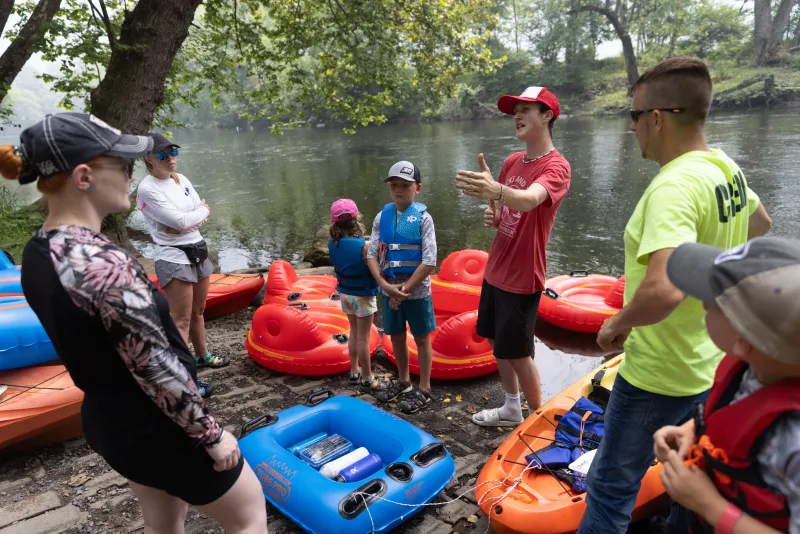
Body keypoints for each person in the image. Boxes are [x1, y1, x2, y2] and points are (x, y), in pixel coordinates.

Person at [7, 113, 267, 533]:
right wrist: (212, 435)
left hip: (112, 422)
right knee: (249, 514)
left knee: (163, 518)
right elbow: (152, 365)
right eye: (123, 165)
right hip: (162, 427)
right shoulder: (101, 263)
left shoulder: (39, 251)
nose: (131, 175)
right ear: (85, 176)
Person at [577, 57, 773, 534]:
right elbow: (761, 226)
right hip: (713, 365)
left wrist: (616, 323)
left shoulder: (674, 185)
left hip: (658, 375)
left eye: (634, 117)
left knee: (609, 491)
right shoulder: (724, 169)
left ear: (658, 118)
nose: (632, 129)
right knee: (694, 481)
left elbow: (663, 289)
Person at [654, 236, 799, 534]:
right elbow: (739, 407)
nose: (703, 303)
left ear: (743, 341)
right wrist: (692, 430)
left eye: (710, 304)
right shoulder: (760, 366)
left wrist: (709, 505)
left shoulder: (793, 442)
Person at [455, 86, 571, 426]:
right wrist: (496, 216)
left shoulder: (557, 167)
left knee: (520, 354)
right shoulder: (511, 162)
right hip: (496, 270)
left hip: (522, 277)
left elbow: (530, 199)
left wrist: (498, 191)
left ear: (547, 115)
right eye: (514, 111)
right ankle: (510, 407)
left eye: (525, 109)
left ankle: (539, 423)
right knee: (498, 342)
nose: (516, 116)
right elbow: (510, 212)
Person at [137, 133, 228, 398]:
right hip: (173, 255)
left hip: (197, 248)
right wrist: (192, 217)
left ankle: (201, 356)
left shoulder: (181, 179)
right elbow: (179, 222)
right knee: (181, 319)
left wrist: (193, 217)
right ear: (149, 159)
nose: (171, 159)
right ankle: (181, 378)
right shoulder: (148, 188)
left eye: (173, 152)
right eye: (163, 155)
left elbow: (196, 215)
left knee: (199, 310)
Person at [366, 161, 437, 414]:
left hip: (415, 292)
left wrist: (404, 290)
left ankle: (425, 388)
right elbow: (372, 254)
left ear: (417, 188)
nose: (398, 190)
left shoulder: (422, 218)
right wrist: (384, 284)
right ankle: (405, 382)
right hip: (388, 289)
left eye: (405, 186)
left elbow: (429, 260)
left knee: (421, 338)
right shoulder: (381, 217)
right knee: (395, 335)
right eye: (394, 185)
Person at [327, 198, 386, 392]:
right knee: (364, 337)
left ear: (334, 222)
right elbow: (378, 270)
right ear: (357, 218)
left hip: (345, 294)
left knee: (353, 332)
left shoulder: (332, 244)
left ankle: (354, 371)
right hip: (363, 296)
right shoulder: (365, 246)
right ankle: (367, 378)